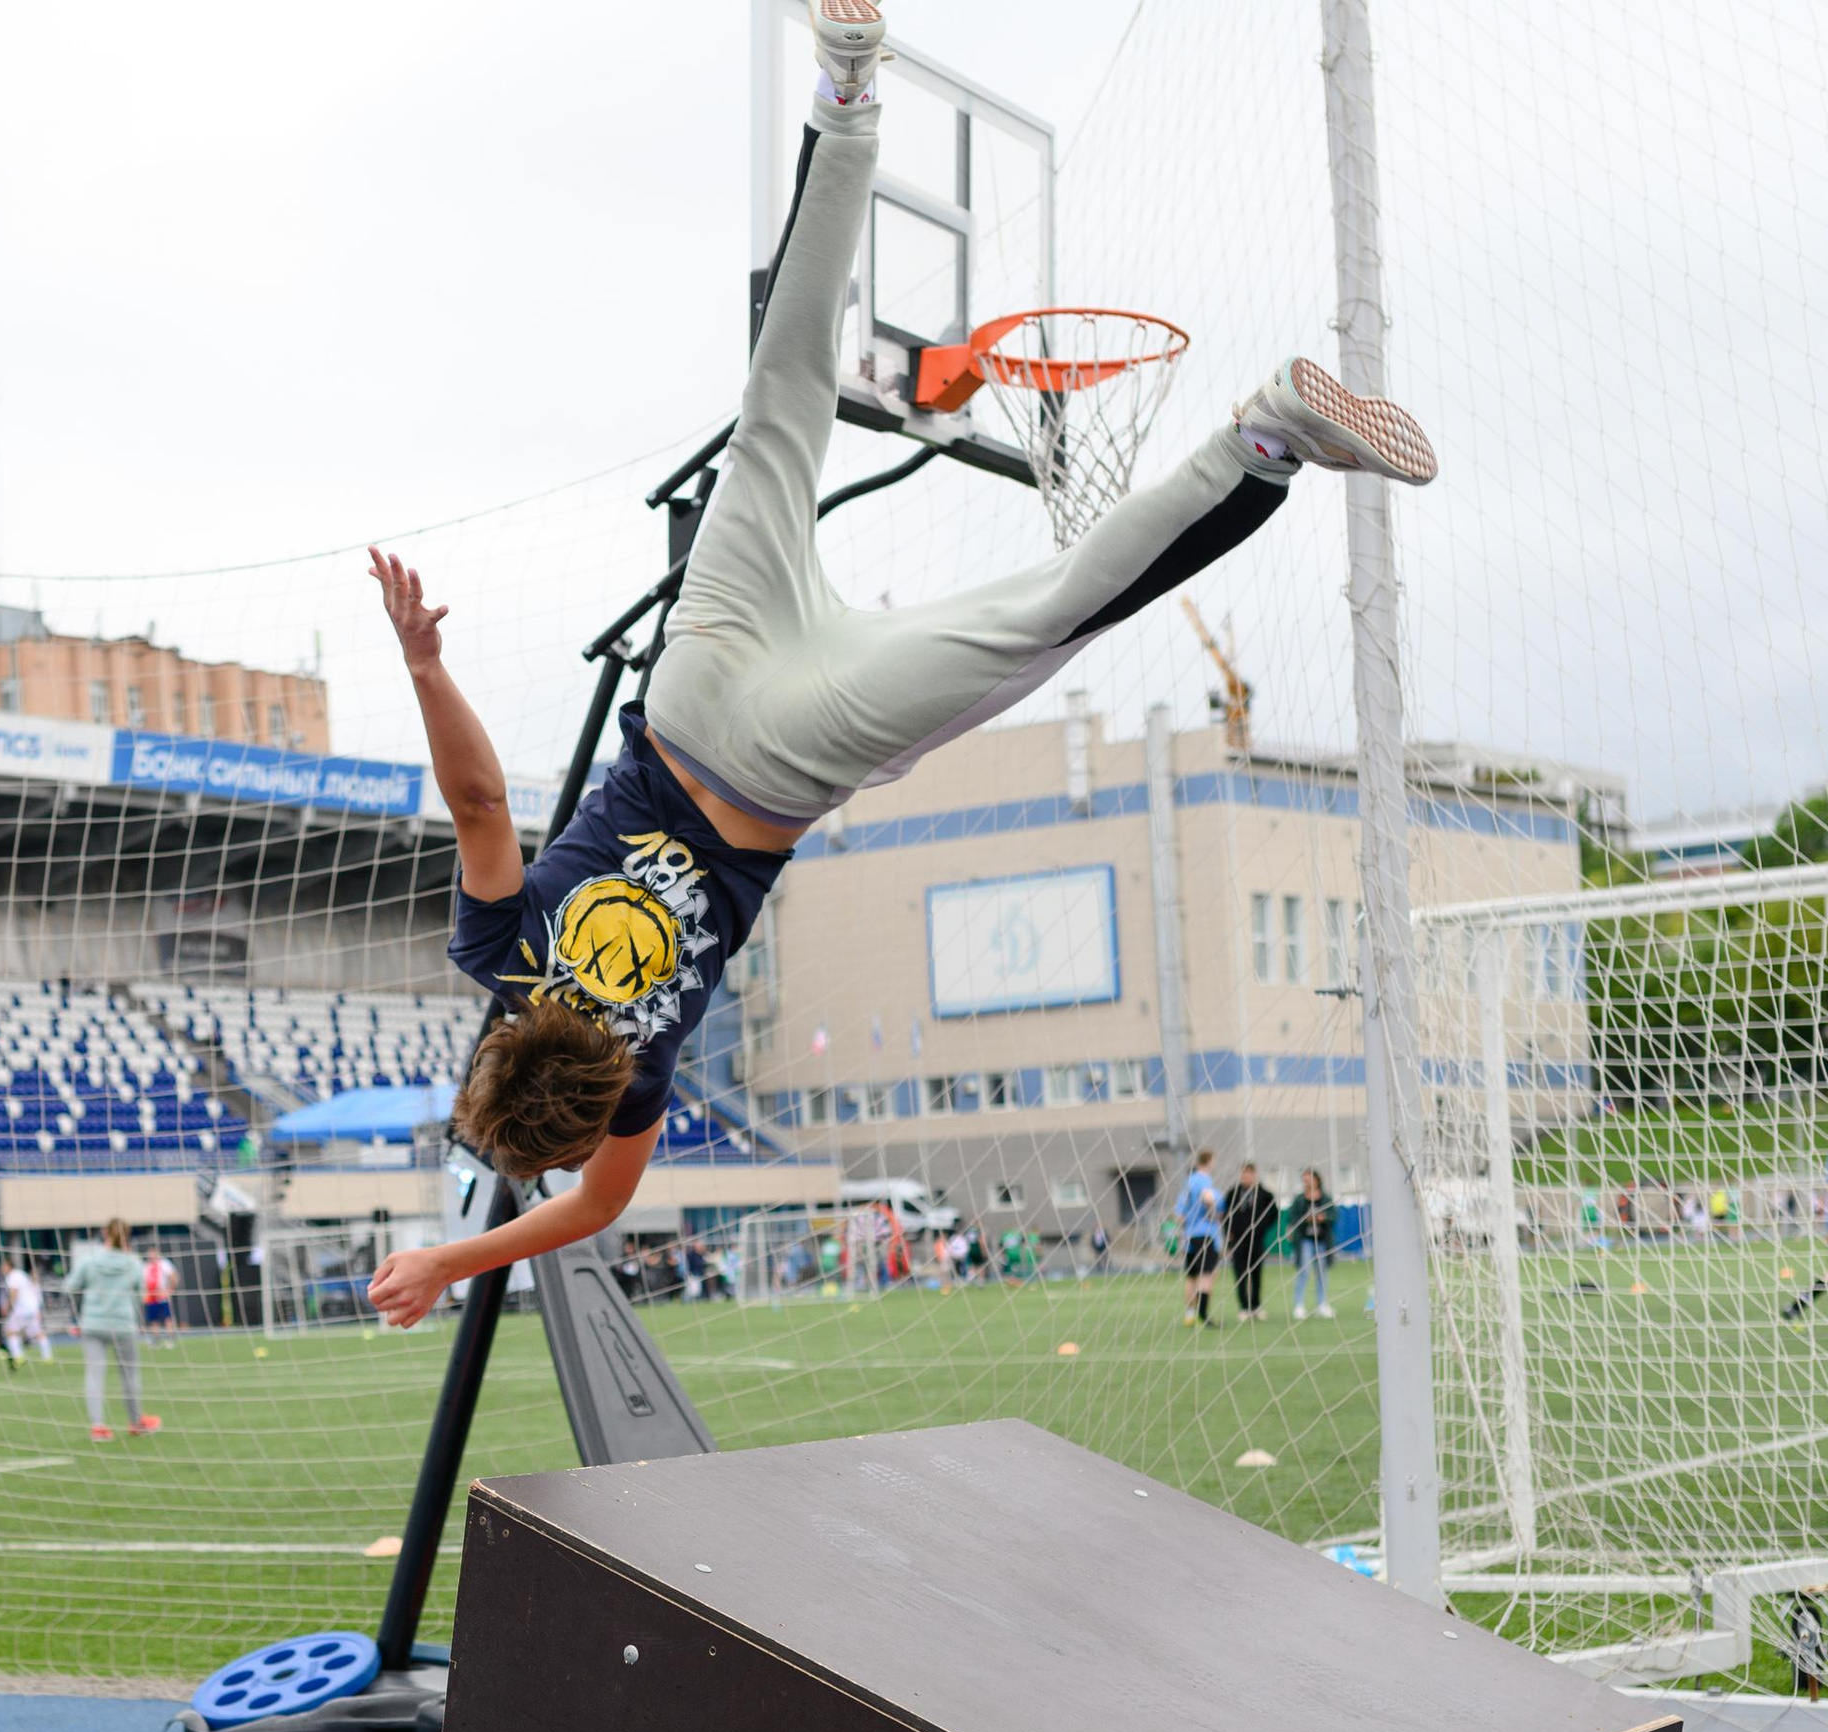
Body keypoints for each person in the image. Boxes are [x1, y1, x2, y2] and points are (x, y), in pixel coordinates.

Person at [359, 0, 1437, 1331]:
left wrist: (449, 1263)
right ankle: (849, 95)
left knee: (1049, 613)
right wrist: (421, 660)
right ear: (496, 1057)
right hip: (697, 688)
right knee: (782, 400)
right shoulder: (497, 955)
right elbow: (476, 807)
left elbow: (591, 1210)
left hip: (788, 760)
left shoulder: (635, 1081)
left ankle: (1264, 440)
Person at [66, 1217, 159, 1442]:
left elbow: (69, 1286)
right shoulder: (133, 1263)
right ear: (127, 1235)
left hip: (93, 1323)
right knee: (129, 1375)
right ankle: (136, 1422)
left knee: (95, 1375)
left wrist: (79, 1312)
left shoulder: (89, 1261)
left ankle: (98, 1427)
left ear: (104, 1232)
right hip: (123, 1324)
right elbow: (142, 1293)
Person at [1223, 1162, 1278, 1321]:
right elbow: (1226, 1216)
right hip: (1238, 1241)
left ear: (1254, 1175)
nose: (1246, 1177)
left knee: (1256, 1275)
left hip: (1256, 1241)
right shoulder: (1232, 1194)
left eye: (1249, 1173)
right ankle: (1243, 1307)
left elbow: (1273, 1213)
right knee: (1240, 1275)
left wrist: (1262, 1227)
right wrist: (1229, 1232)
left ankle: (1256, 1306)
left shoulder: (1264, 1194)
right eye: (1243, 1174)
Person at [1177, 1148, 1225, 1328]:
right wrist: (1213, 1212)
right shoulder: (1203, 1180)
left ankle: (1189, 1315)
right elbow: (1209, 1197)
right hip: (1205, 1236)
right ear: (1210, 1161)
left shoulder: (1187, 1183)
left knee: (1191, 1277)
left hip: (1190, 1236)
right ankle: (1203, 1315)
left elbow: (1179, 1215)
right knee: (1207, 1275)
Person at [1288, 1169, 1337, 1320]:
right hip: (1305, 1240)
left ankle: (1322, 1304)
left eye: (1309, 1178)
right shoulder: (1300, 1199)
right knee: (1304, 1270)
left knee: (1322, 1272)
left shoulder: (1325, 1198)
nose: (1306, 1182)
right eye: (1304, 1179)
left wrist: (1324, 1217)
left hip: (1322, 1240)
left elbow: (1334, 1215)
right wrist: (1305, 1220)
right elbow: (1292, 1218)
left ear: (1316, 1180)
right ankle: (1299, 1305)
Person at [3, 1258, 51, 1363]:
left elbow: (14, 1293)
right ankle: (47, 1356)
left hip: (22, 1309)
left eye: (3, 1266)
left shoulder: (12, 1276)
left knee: (10, 1331)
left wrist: (7, 1307)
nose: (2, 1269)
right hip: (32, 1307)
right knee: (38, 1332)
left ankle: (18, 1356)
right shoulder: (21, 1274)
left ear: (8, 1266)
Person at [142, 1248, 178, 1341]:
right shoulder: (146, 1266)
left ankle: (170, 1338)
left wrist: (170, 1289)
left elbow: (173, 1276)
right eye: (149, 1255)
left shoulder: (164, 1263)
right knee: (153, 1319)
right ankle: (155, 1339)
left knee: (167, 1317)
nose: (151, 1256)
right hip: (151, 1296)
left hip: (162, 1295)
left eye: (153, 1254)